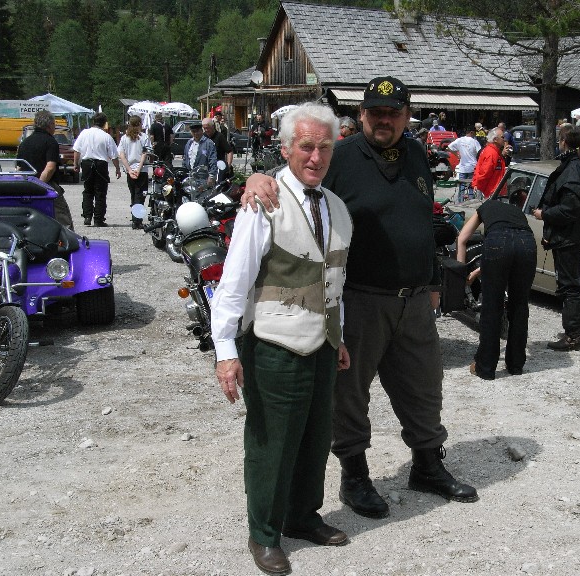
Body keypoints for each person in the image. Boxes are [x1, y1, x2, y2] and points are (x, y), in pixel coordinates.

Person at [242, 76, 479, 520]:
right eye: (375, 113)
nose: (384, 120)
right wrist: (258, 178)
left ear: (407, 115)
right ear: (362, 114)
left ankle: (427, 466)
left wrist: (432, 282)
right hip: (359, 299)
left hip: (414, 301)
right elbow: (297, 173)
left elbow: (423, 221)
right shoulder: (341, 156)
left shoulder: (416, 154)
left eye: (393, 113)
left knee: (424, 387)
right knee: (349, 396)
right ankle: (354, 478)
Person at [210, 101, 353, 576]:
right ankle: (264, 533)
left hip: (322, 344)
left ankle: (302, 516)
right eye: (306, 146)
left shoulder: (337, 207)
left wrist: (339, 336)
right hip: (274, 345)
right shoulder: (263, 202)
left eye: (324, 147)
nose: (316, 156)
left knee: (315, 437)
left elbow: (336, 279)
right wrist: (225, 351)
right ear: (287, 149)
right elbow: (234, 281)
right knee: (271, 443)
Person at [531, 125, 580, 351]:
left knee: (570, 286)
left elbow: (570, 209)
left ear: (563, 141)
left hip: (570, 237)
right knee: (574, 284)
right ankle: (577, 330)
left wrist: (544, 214)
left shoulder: (575, 168)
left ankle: (573, 335)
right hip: (574, 235)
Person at [457, 188, 536, 379]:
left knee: (492, 306)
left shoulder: (484, 207)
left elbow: (462, 239)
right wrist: (479, 270)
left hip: (497, 243)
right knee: (520, 305)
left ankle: (485, 367)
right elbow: (511, 245)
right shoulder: (516, 212)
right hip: (527, 243)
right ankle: (516, 365)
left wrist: (460, 273)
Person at [16, 110, 74, 229]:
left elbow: (19, 167)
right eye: (54, 124)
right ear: (50, 125)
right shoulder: (51, 142)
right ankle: (68, 238)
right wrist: (40, 186)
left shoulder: (25, 143)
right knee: (63, 216)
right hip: (46, 184)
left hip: (26, 184)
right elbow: (50, 168)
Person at [72, 112, 121, 227]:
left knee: (88, 191)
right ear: (104, 123)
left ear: (93, 121)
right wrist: (117, 168)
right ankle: (98, 219)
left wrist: (75, 164)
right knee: (100, 192)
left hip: (87, 163)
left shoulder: (84, 133)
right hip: (101, 164)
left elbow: (77, 150)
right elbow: (114, 155)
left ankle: (87, 216)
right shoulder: (106, 136)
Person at [117, 115, 151, 229]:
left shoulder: (124, 138)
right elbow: (145, 154)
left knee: (133, 195)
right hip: (142, 170)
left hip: (130, 170)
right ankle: (137, 220)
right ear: (139, 124)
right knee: (140, 196)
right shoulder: (143, 137)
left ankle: (135, 218)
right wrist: (139, 168)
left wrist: (129, 169)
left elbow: (122, 155)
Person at [472, 127, 510, 199]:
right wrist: (481, 191)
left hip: (494, 193)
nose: (504, 139)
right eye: (502, 137)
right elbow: (484, 174)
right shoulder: (491, 153)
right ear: (495, 139)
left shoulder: (493, 151)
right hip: (491, 194)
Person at [447, 126, 481, 202]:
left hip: (462, 168)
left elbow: (449, 147)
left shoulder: (459, 140)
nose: (475, 134)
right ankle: (471, 202)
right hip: (472, 167)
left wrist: (456, 154)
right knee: (471, 187)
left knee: (461, 187)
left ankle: (460, 202)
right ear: (471, 132)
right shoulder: (475, 141)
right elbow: (480, 153)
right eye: (475, 133)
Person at [182, 122, 217, 186]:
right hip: (190, 178)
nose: (196, 133)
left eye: (197, 131)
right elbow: (185, 159)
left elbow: (213, 160)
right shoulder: (189, 143)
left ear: (201, 131)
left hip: (203, 178)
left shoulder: (208, 143)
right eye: (193, 131)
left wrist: (211, 176)